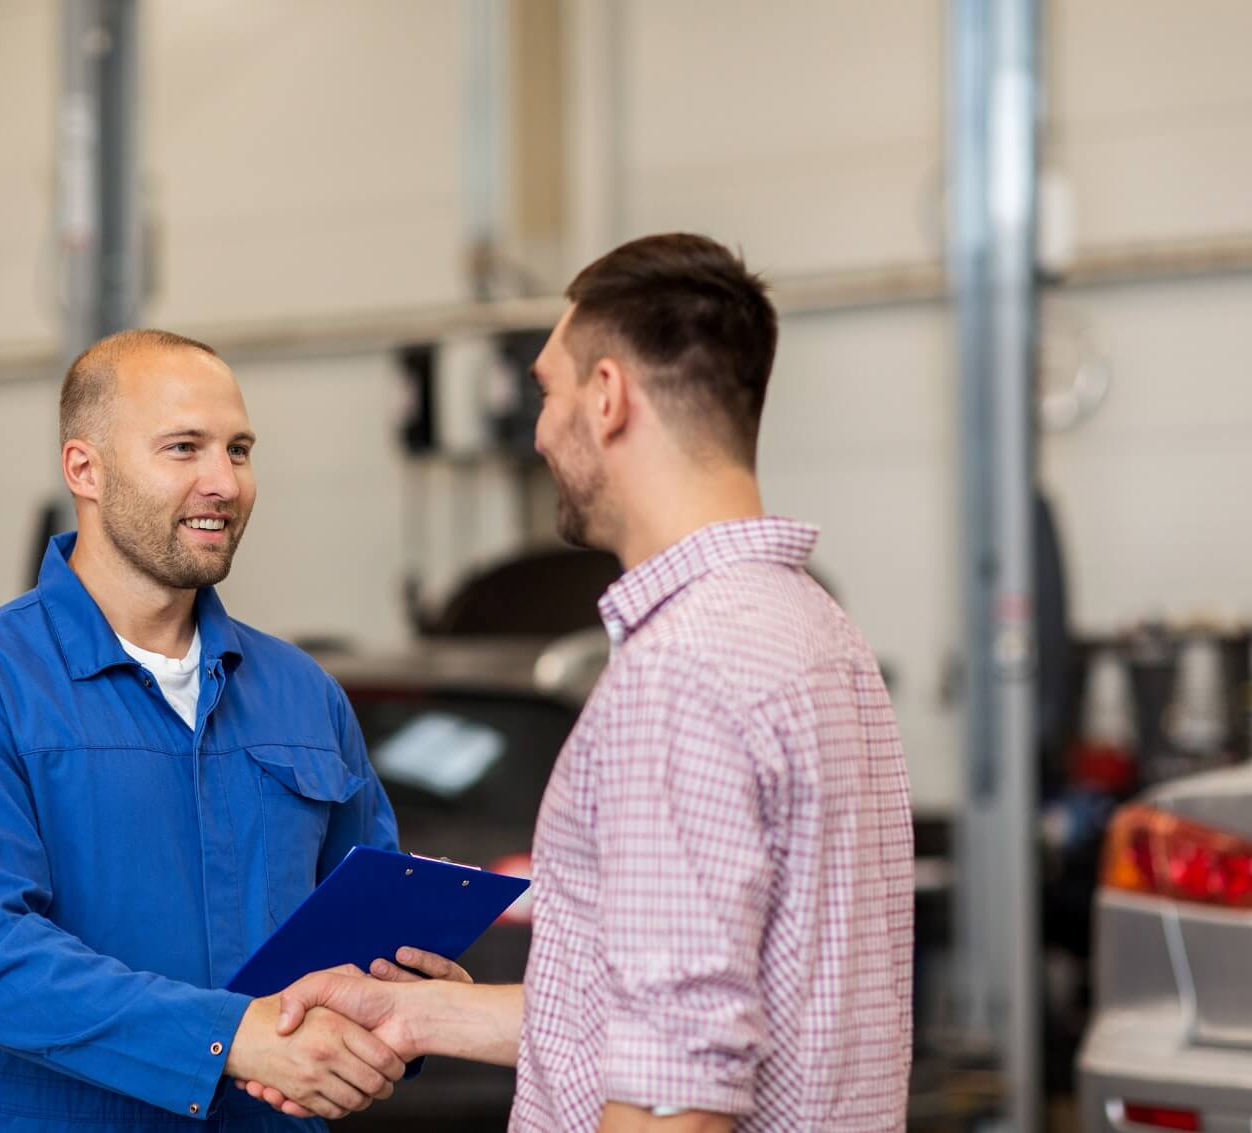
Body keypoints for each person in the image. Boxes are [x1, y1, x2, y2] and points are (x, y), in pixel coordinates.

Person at [242, 234, 916, 1132]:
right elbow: (674, 1016)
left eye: (548, 391)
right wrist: (413, 1013)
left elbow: (677, 1093)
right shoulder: (818, 634)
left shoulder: (679, 670)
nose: (539, 430)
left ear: (607, 398)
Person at [0, 330, 421, 1131]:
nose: (224, 482)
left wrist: (404, 998)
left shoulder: (304, 697)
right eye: (183, 448)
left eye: (238, 450)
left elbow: (372, 918)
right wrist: (227, 1037)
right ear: (84, 469)